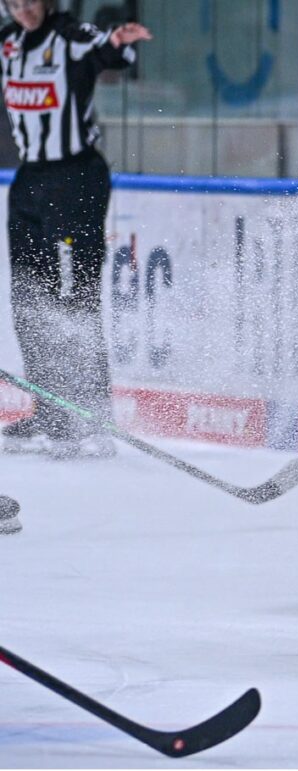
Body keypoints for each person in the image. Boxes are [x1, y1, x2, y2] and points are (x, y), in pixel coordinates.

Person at [0, 0, 151, 459]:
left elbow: (108, 51)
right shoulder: (8, 42)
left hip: (76, 179)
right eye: (14, 2)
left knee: (74, 298)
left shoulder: (70, 35)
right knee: (30, 299)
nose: (24, 10)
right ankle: (49, 412)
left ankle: (90, 414)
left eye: (31, 1)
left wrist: (119, 44)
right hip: (29, 181)